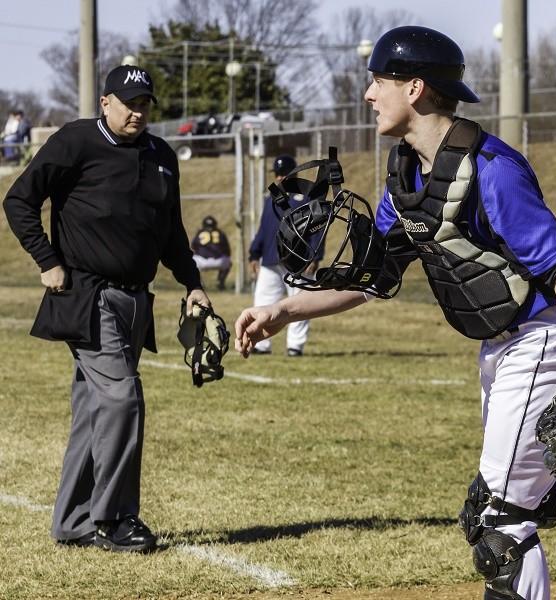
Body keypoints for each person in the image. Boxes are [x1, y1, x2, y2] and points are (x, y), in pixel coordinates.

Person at [234, 26, 556, 599]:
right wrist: (285, 309)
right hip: (498, 348)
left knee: (498, 518)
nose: (369, 95)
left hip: (542, 339)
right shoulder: (405, 180)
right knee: (540, 489)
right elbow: (374, 278)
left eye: (379, 81)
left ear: (416, 88)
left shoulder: (492, 169)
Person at [3, 64, 211, 553]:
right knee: (122, 399)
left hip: (137, 300)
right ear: (105, 102)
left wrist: (193, 283)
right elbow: (19, 201)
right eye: (129, 102)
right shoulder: (76, 141)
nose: (137, 111)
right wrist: (47, 260)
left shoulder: (161, 155)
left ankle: (73, 520)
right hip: (88, 295)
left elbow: (171, 231)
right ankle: (116, 520)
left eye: (144, 104)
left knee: (95, 410)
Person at [247, 154, 320, 356]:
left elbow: (317, 227)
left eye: (283, 174)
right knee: (263, 300)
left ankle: (295, 345)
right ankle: (261, 344)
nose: (279, 178)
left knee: (300, 304)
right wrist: (254, 253)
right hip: (270, 259)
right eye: (277, 174)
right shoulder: (270, 198)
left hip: (299, 259)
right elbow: (264, 229)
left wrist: (315, 256)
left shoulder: (307, 196)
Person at [191, 215, 232, 290]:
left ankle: (198, 283)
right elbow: (227, 249)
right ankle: (220, 280)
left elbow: (193, 246)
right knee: (228, 261)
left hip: (202, 262)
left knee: (191, 260)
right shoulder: (220, 233)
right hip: (219, 262)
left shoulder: (200, 232)